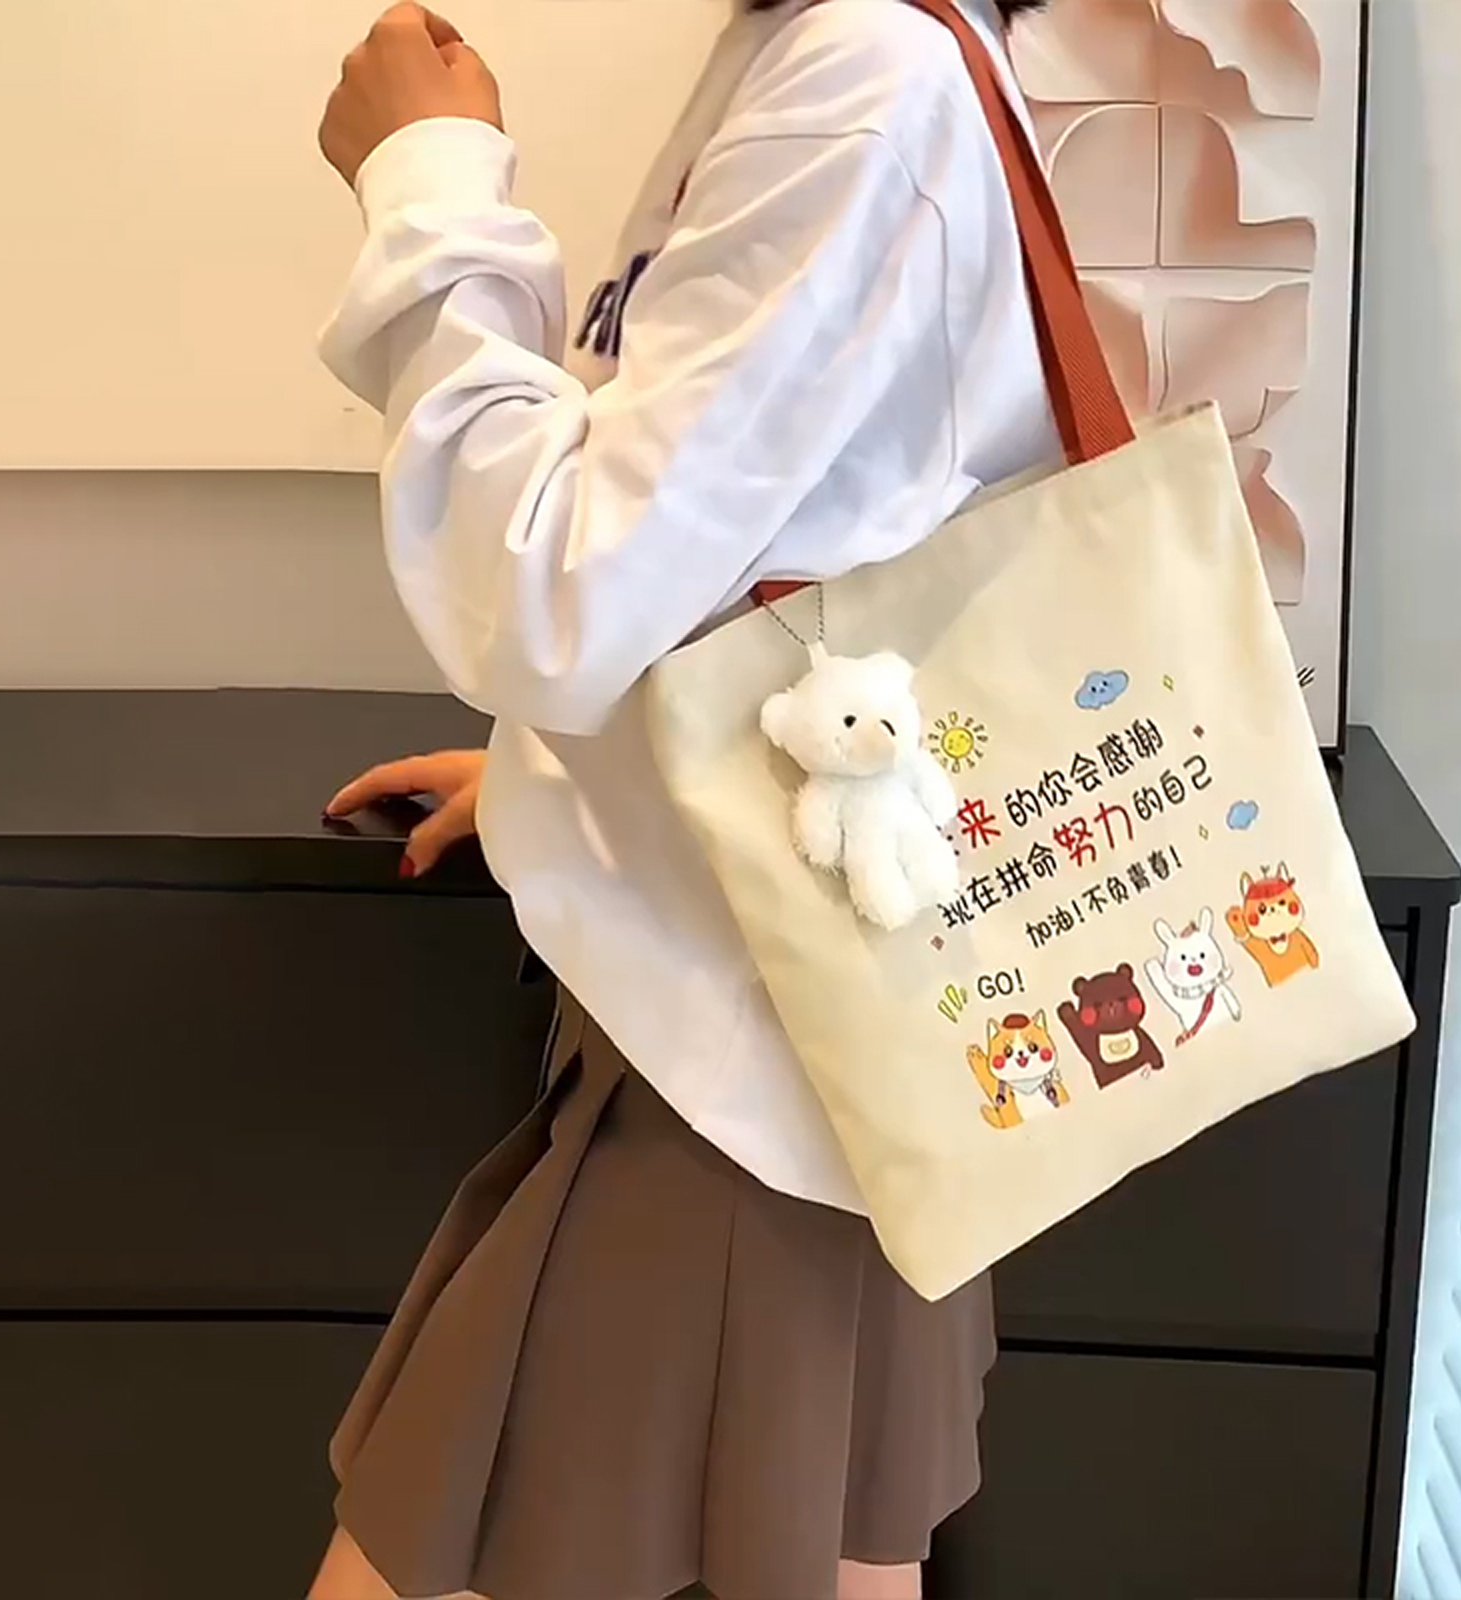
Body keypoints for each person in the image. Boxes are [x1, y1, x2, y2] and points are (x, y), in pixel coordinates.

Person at [311, 1, 1053, 1596]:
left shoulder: (864, 72)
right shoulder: (855, 53)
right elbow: (763, 536)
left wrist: (429, 183)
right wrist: (574, 766)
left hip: (732, 1087)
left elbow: (559, 597)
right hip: (818, 1036)